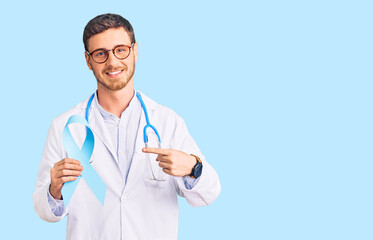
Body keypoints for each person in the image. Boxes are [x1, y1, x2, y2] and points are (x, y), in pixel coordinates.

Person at [33, 13, 221, 240]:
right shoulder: (67, 126)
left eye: (120, 49)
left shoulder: (166, 121)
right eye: (100, 54)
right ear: (87, 60)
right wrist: (54, 189)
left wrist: (193, 166)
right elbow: (46, 211)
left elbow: (209, 193)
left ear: (135, 51)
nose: (112, 62)